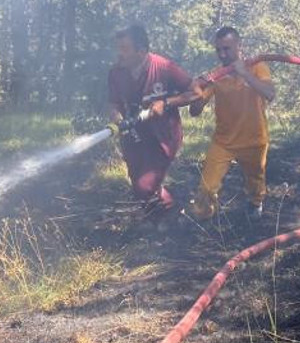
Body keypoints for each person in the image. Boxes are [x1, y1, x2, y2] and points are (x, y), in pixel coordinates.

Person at [186, 26, 276, 220]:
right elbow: (194, 112)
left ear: (239, 46)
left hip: (254, 140)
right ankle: (203, 219)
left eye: (227, 49)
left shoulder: (257, 67)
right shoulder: (216, 76)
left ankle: (255, 203)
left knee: (255, 181)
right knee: (207, 186)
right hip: (223, 141)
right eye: (218, 50)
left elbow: (270, 94)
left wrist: (244, 73)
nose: (222, 54)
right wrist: (196, 91)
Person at [107, 23, 193, 212]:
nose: (119, 54)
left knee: (145, 185)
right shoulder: (115, 73)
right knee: (138, 184)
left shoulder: (165, 68)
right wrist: (117, 117)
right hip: (133, 136)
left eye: (124, 49)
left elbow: (195, 92)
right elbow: (113, 103)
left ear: (141, 51)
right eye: (118, 48)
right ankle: (157, 213)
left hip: (162, 136)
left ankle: (168, 209)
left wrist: (167, 103)